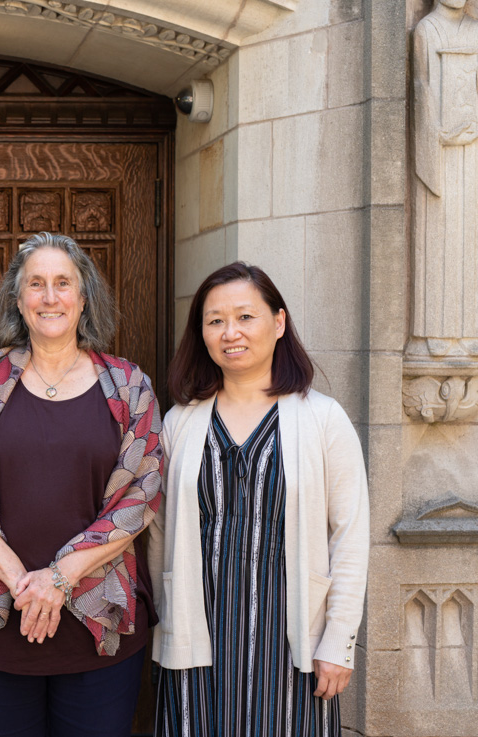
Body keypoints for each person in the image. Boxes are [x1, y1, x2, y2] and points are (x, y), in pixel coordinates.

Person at [0, 232, 164, 737]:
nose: (49, 297)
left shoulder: (129, 388)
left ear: (84, 298)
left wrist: (58, 580)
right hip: (1, 614)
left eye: (63, 283)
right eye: (35, 284)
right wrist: (28, 584)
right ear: (18, 301)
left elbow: (141, 497)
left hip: (99, 621)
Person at [150, 262, 369, 735]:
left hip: (291, 641)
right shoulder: (180, 423)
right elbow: (160, 533)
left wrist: (338, 641)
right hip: (197, 633)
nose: (231, 332)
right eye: (215, 321)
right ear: (202, 333)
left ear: (279, 322)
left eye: (245, 317)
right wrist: (167, 623)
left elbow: (350, 535)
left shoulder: (323, 420)